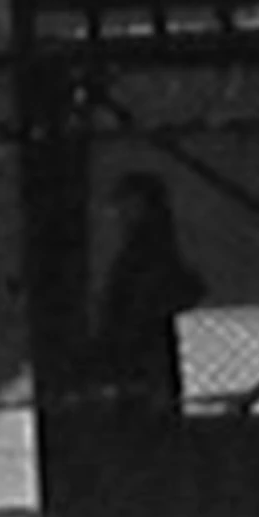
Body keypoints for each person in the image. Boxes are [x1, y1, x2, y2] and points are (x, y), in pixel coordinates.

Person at [88, 171, 206, 418]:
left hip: (143, 350)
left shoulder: (151, 248)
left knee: (146, 412)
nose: (120, 212)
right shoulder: (141, 247)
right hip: (137, 348)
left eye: (127, 203)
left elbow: (151, 298)